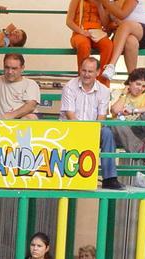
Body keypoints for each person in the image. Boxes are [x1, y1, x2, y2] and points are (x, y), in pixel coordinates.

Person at [59, 57, 123, 190]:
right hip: (70, 129)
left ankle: (109, 178)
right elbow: (70, 116)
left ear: (98, 72)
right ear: (80, 70)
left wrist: (90, 134)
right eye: (84, 70)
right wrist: (84, 134)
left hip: (93, 130)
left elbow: (101, 117)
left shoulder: (104, 90)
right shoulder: (69, 87)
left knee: (106, 132)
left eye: (90, 71)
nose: (86, 74)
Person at [95, 0, 145, 80]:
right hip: (123, 37)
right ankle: (133, 80)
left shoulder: (108, 2)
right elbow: (106, 25)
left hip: (143, 32)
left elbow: (122, 14)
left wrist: (105, 2)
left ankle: (112, 65)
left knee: (126, 24)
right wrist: (100, 6)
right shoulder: (110, 1)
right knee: (130, 40)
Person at [66, 0, 114, 85]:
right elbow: (69, 21)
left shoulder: (103, 2)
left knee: (108, 45)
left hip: (97, 33)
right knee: (83, 44)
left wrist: (99, 6)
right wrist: (82, 32)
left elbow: (106, 24)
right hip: (79, 32)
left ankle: (102, 83)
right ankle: (83, 80)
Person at [0, 53, 40, 120]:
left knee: (29, 118)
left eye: (14, 68)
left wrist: (11, 115)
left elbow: (30, 106)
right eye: (7, 67)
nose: (10, 72)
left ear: (22, 68)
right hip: (4, 122)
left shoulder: (30, 84)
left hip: (23, 120)